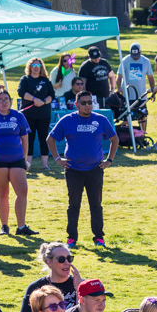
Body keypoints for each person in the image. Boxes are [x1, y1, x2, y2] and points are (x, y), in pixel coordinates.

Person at [47, 89, 118, 247]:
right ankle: (72, 238)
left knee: (96, 204)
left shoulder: (100, 120)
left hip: (95, 169)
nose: (87, 106)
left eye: (90, 102)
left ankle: (99, 237)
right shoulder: (67, 120)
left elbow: (115, 139)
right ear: (76, 104)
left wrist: (109, 160)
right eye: (84, 103)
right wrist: (58, 159)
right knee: (74, 205)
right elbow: (50, 139)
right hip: (73, 170)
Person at [0, 88, 34, 235]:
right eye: (0, 99)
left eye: (6, 99)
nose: (4, 102)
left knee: (22, 191)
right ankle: (4, 226)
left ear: (10, 101)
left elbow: (25, 138)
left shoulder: (18, 115)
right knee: (3, 192)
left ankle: (21, 226)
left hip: (17, 158)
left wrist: (25, 159)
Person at [17, 241, 82, 312]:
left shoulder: (80, 284)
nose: (67, 263)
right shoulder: (36, 288)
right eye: (61, 259)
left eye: (69, 258)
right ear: (49, 262)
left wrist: (79, 289)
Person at [17, 58, 55, 170]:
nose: (36, 68)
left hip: (44, 115)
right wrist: (34, 99)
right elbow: (21, 92)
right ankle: (27, 164)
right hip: (29, 114)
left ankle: (45, 165)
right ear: (30, 67)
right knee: (29, 138)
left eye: (38, 65)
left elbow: (52, 95)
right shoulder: (25, 79)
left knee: (44, 138)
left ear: (41, 67)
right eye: (34, 65)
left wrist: (43, 101)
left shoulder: (45, 80)